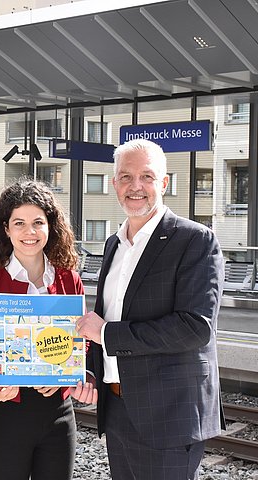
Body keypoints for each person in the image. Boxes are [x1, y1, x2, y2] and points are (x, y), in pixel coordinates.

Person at [74, 139, 225, 480]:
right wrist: (89, 372)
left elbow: (195, 328)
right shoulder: (114, 244)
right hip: (117, 409)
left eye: (146, 176)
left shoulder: (194, 240)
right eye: (125, 177)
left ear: (164, 183)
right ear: (114, 184)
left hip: (168, 416)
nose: (135, 186)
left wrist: (104, 334)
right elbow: (110, 315)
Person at [0, 179, 85, 480]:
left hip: (59, 413)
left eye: (38, 222)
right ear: (6, 229)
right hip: (8, 415)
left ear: (51, 227)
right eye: (19, 223)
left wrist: (66, 380)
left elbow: (80, 342)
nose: (29, 232)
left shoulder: (69, 280)